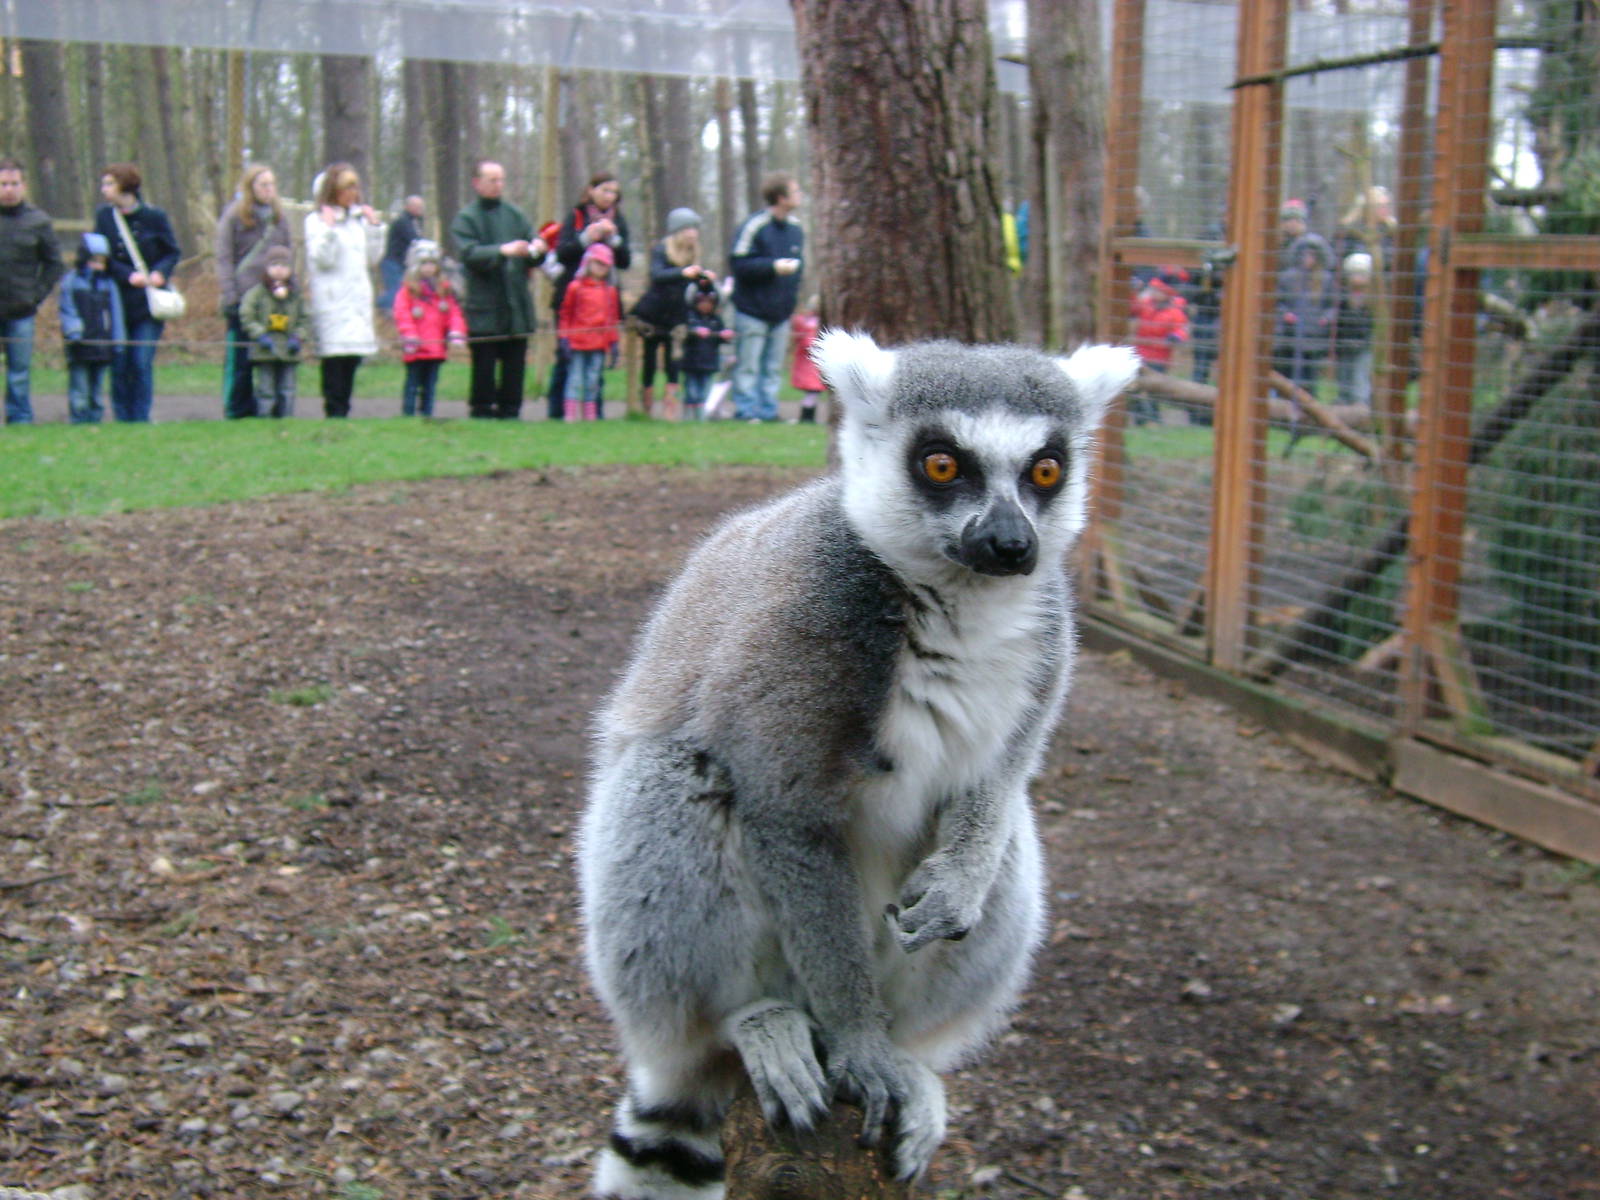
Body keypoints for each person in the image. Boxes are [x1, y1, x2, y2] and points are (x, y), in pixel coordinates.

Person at [451, 160, 544, 421]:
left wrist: (537, 247)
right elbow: (469, 254)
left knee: (515, 362)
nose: (498, 185)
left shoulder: (515, 215)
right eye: (492, 180)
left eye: (501, 180)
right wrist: (502, 251)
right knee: (484, 362)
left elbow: (532, 250)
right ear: (477, 183)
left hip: (516, 303)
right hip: (485, 304)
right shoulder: (466, 218)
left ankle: (511, 411)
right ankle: (481, 410)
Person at [94, 162, 181, 423]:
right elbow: (102, 255)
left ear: (125, 185)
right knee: (120, 363)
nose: (104, 189)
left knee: (141, 361)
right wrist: (127, 275)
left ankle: (140, 416)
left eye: (109, 183)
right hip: (118, 300)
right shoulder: (104, 217)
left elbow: (172, 251)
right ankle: (122, 416)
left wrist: (159, 273)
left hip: (148, 303)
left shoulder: (155, 217)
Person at [304, 162, 385, 418]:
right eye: (346, 187)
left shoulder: (356, 222)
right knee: (334, 359)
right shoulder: (315, 221)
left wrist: (374, 229)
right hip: (332, 300)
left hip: (356, 300)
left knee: (352, 357)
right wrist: (329, 229)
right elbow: (322, 259)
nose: (353, 193)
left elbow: (372, 258)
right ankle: (334, 410)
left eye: (355, 187)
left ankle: (344, 409)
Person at [549, 173, 631, 420]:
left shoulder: (620, 220)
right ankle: (559, 411)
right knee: (567, 359)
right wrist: (588, 236)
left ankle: (594, 412)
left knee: (597, 360)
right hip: (573, 298)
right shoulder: (575, 216)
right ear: (591, 190)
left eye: (614, 192)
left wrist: (614, 240)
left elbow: (625, 261)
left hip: (605, 301)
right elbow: (563, 253)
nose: (609, 197)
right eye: (605, 190)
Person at [215, 164, 292, 419]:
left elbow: (291, 255)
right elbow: (224, 257)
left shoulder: (279, 218)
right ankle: (237, 408)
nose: (269, 190)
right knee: (240, 360)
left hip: (274, 300)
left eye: (272, 184)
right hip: (243, 296)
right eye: (263, 184)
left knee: (273, 357)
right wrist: (230, 295)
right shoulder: (234, 216)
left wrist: (291, 292)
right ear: (251, 188)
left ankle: (272, 408)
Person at [729, 172, 804, 422]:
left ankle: (768, 411)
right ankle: (746, 411)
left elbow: (798, 268)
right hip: (752, 310)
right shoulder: (755, 226)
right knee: (748, 365)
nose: (800, 195)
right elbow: (739, 263)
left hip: (781, 312)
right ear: (780, 197)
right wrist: (772, 267)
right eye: (795, 191)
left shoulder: (796, 229)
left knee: (773, 367)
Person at [630, 206, 715, 420]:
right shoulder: (661, 250)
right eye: (688, 229)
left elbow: (699, 289)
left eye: (695, 229)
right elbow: (657, 275)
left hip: (677, 316)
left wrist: (705, 280)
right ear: (678, 231)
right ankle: (646, 407)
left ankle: (670, 409)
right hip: (653, 314)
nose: (693, 234)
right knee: (649, 361)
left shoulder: (693, 254)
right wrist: (682, 273)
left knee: (673, 362)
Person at [0, 158, 64, 425]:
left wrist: (35, 295)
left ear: (24, 186)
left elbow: (54, 264)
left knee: (19, 370)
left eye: (14, 183)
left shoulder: (38, 221)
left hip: (21, 309)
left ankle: (20, 419)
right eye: (3, 184)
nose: (9, 189)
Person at [392, 238, 466, 418]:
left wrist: (456, 332)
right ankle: (408, 415)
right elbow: (402, 314)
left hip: (436, 349)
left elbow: (454, 313)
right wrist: (409, 335)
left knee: (430, 385)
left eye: (432, 263)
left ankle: (427, 414)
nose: (428, 268)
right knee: (412, 384)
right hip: (415, 348)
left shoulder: (443, 291)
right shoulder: (408, 291)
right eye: (424, 263)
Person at [57, 231, 123, 425]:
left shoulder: (108, 284)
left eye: (102, 262)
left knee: (97, 386)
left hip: (103, 344)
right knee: (79, 385)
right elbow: (67, 308)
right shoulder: (71, 281)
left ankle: (95, 417)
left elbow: (116, 314)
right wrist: (74, 332)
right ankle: (78, 417)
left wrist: (118, 341)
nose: (98, 266)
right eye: (94, 261)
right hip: (79, 344)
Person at [238, 245, 309, 419]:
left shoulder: (296, 295)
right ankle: (264, 417)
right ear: (267, 268)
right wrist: (259, 334)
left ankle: (286, 418)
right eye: (274, 265)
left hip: (289, 349)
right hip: (265, 349)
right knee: (265, 389)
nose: (279, 270)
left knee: (288, 388)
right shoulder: (256, 293)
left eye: (284, 265)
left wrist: (298, 337)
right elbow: (247, 315)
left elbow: (305, 318)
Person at [558, 242, 621, 422]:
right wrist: (564, 337)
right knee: (575, 378)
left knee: (593, 380)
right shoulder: (575, 287)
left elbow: (612, 319)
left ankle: (590, 415)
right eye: (597, 263)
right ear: (588, 263)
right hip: (577, 342)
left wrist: (613, 342)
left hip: (599, 343)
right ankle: (570, 414)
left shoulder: (610, 291)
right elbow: (566, 314)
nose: (601, 268)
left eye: (605, 265)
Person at [1273, 232, 1337, 402]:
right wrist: (1285, 314)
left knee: (1310, 376)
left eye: (1311, 255)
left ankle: (1309, 407)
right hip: (1291, 336)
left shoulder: (1326, 279)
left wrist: (1326, 318)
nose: (1307, 259)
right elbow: (1277, 302)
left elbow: (1333, 306)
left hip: (1314, 337)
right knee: (1289, 373)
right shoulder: (1288, 277)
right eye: (1304, 254)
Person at [1128, 267, 1190, 425]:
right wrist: (1132, 291)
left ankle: (1155, 419)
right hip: (1140, 354)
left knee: (1153, 390)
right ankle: (1140, 420)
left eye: (1157, 290)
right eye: (1152, 289)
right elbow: (1133, 308)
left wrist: (1176, 337)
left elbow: (1181, 329)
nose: (1152, 293)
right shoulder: (1146, 306)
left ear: (1166, 294)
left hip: (1159, 358)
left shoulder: (1174, 312)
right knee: (1134, 387)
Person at [679, 278, 731, 420]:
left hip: (709, 363)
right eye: (702, 302)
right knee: (692, 392)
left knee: (704, 393)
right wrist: (695, 332)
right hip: (691, 362)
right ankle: (688, 417)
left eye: (709, 303)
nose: (706, 306)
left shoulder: (716, 320)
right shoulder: (690, 318)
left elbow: (722, 337)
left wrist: (725, 335)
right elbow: (684, 334)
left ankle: (701, 418)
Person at [1333, 252, 1375, 409]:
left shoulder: (1372, 299)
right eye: (1354, 274)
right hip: (1344, 343)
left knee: (1360, 373)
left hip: (1363, 345)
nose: (1357, 278)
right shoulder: (1343, 297)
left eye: (1362, 274)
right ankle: (1343, 397)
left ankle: (1361, 401)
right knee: (1343, 372)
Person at [379, 194, 426, 310]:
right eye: (418, 207)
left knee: (400, 291)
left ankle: (386, 312)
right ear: (409, 207)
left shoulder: (414, 222)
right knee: (395, 292)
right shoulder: (403, 221)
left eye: (421, 207)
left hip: (401, 263)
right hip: (392, 262)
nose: (421, 210)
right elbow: (414, 240)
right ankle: (377, 306)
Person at [788, 294, 823, 423]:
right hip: (810, 368)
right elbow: (808, 343)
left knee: (813, 394)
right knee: (812, 393)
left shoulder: (806, 322)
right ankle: (807, 417)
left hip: (811, 367)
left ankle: (809, 416)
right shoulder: (809, 323)